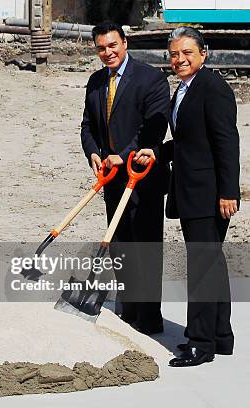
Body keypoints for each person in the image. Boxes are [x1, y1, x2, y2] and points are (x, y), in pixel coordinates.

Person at [136, 27, 240, 367]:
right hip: (191, 189)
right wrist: (159, 152)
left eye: (187, 54)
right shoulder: (184, 88)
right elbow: (189, 140)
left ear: (203, 54)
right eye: (174, 54)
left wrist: (228, 191)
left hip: (208, 194)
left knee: (201, 266)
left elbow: (227, 142)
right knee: (211, 264)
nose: (179, 59)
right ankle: (221, 337)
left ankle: (199, 343)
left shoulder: (213, 88)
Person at [80, 22, 170, 334]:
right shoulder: (95, 81)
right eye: (101, 48)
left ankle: (149, 318)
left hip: (142, 176)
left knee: (144, 246)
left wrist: (125, 155)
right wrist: (93, 152)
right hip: (113, 180)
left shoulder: (151, 79)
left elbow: (153, 130)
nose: (107, 53)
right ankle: (129, 311)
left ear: (125, 43)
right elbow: (88, 126)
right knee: (120, 246)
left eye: (112, 46)